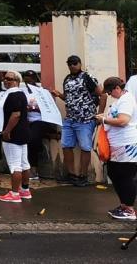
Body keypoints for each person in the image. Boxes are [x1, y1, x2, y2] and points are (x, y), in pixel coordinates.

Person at [51, 55, 103, 186]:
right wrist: (59, 95)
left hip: (85, 119)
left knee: (85, 147)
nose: (72, 66)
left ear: (80, 64)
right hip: (70, 119)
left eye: (75, 63)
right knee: (66, 146)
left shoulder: (87, 77)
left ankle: (83, 176)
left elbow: (102, 94)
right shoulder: (67, 79)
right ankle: (72, 174)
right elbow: (69, 98)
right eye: (70, 64)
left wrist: (100, 114)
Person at [97, 77, 137, 220]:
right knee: (114, 173)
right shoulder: (120, 101)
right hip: (117, 144)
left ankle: (129, 209)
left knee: (125, 176)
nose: (108, 95)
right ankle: (124, 205)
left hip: (126, 144)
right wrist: (105, 116)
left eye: (109, 92)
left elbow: (123, 121)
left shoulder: (126, 100)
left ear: (117, 88)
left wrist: (103, 119)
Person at [0, 71, 33, 203]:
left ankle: (14, 193)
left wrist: (7, 131)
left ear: (17, 80)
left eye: (9, 79)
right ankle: (25, 190)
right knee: (24, 163)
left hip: (14, 133)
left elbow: (16, 114)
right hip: (22, 132)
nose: (6, 81)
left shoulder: (14, 95)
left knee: (15, 165)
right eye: (5, 78)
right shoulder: (19, 94)